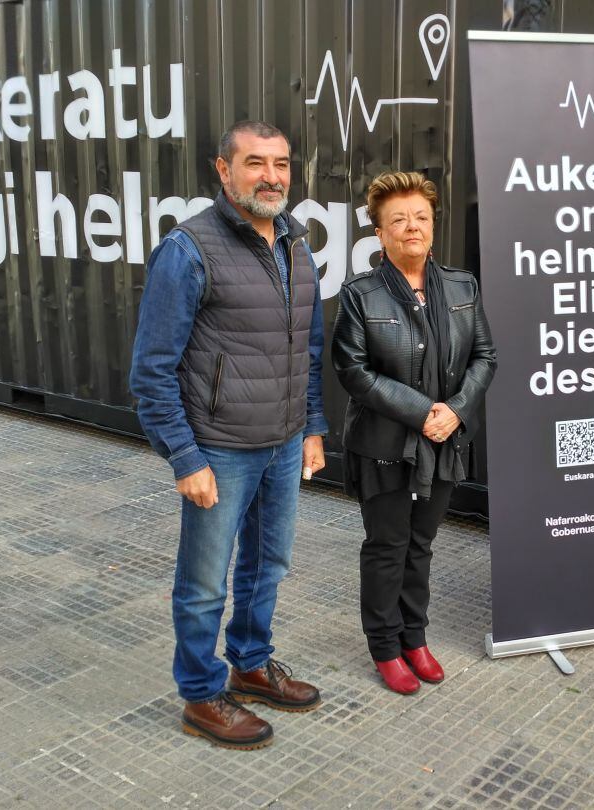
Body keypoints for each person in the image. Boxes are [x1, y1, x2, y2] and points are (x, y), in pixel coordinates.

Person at [130, 121, 328, 749]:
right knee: (204, 583)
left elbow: (308, 349)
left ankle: (250, 662)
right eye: (255, 163)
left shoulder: (296, 243)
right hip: (219, 447)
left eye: (281, 163)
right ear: (223, 170)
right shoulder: (188, 249)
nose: (272, 176)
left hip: (284, 440)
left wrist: (313, 428)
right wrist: (184, 456)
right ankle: (200, 693)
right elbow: (151, 369)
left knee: (269, 565)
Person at [331, 171, 497, 694]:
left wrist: (457, 410)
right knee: (388, 544)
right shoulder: (360, 294)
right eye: (398, 220)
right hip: (384, 445)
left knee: (421, 543)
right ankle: (385, 646)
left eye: (421, 218)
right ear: (379, 234)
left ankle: (415, 638)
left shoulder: (462, 286)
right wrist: (424, 410)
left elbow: (484, 356)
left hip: (444, 442)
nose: (412, 228)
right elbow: (352, 371)